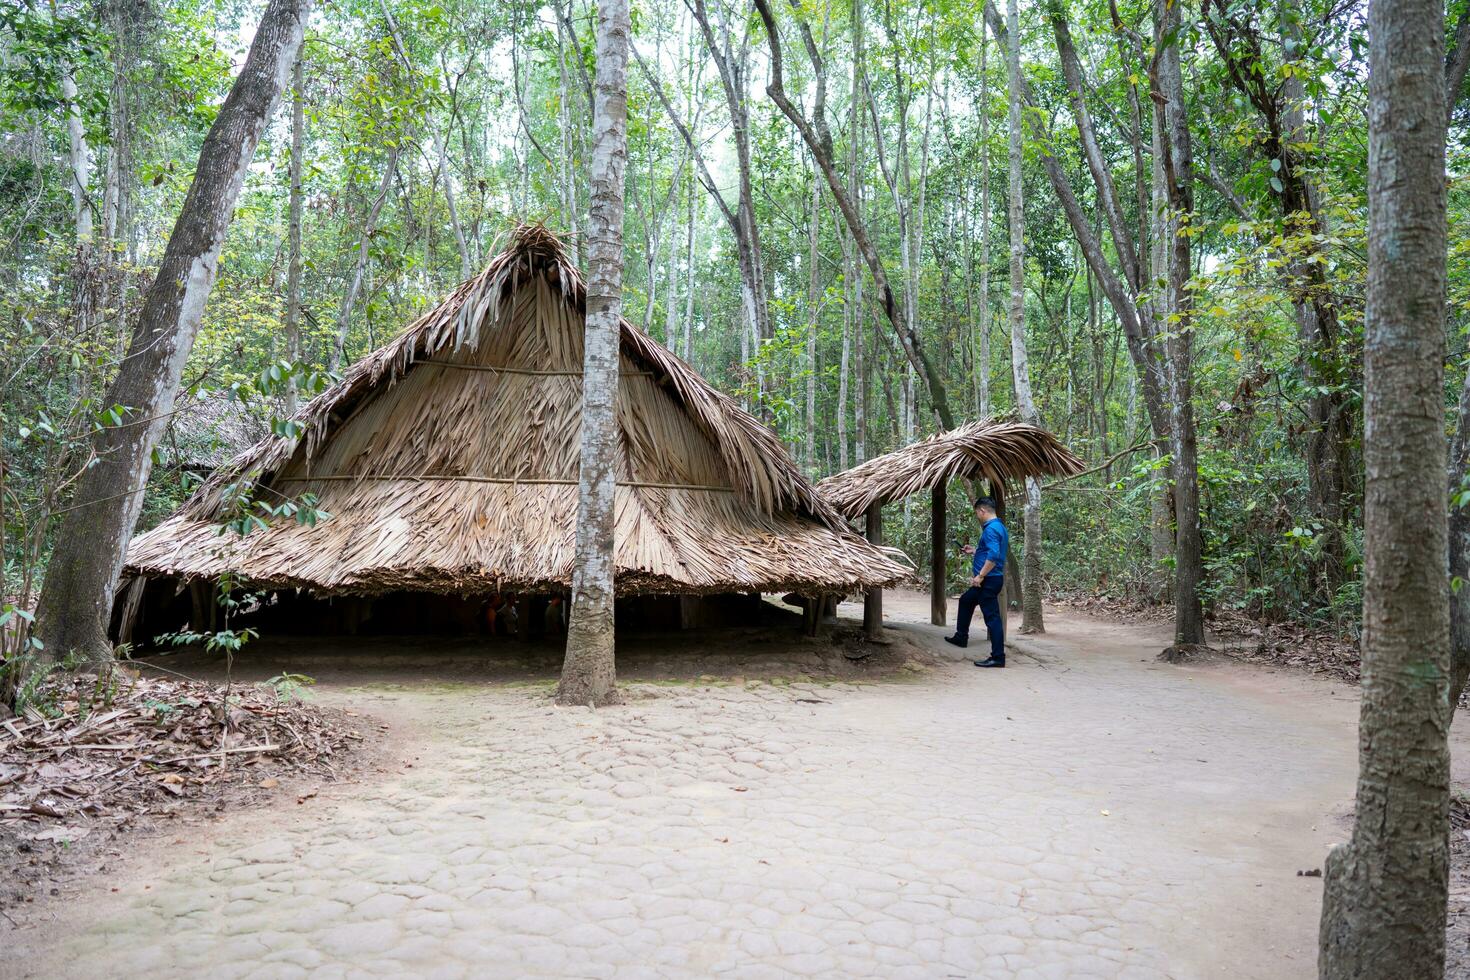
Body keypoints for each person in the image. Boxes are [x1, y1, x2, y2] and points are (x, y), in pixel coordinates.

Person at [946, 497, 1009, 667]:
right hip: (991, 579)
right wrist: (975, 550)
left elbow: (994, 556)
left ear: (982, 510)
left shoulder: (991, 529)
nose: (977, 516)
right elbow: (990, 551)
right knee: (966, 600)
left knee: (992, 618)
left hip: (988, 580)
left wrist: (980, 576)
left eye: (977, 513)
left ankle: (998, 657)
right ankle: (961, 637)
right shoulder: (999, 526)